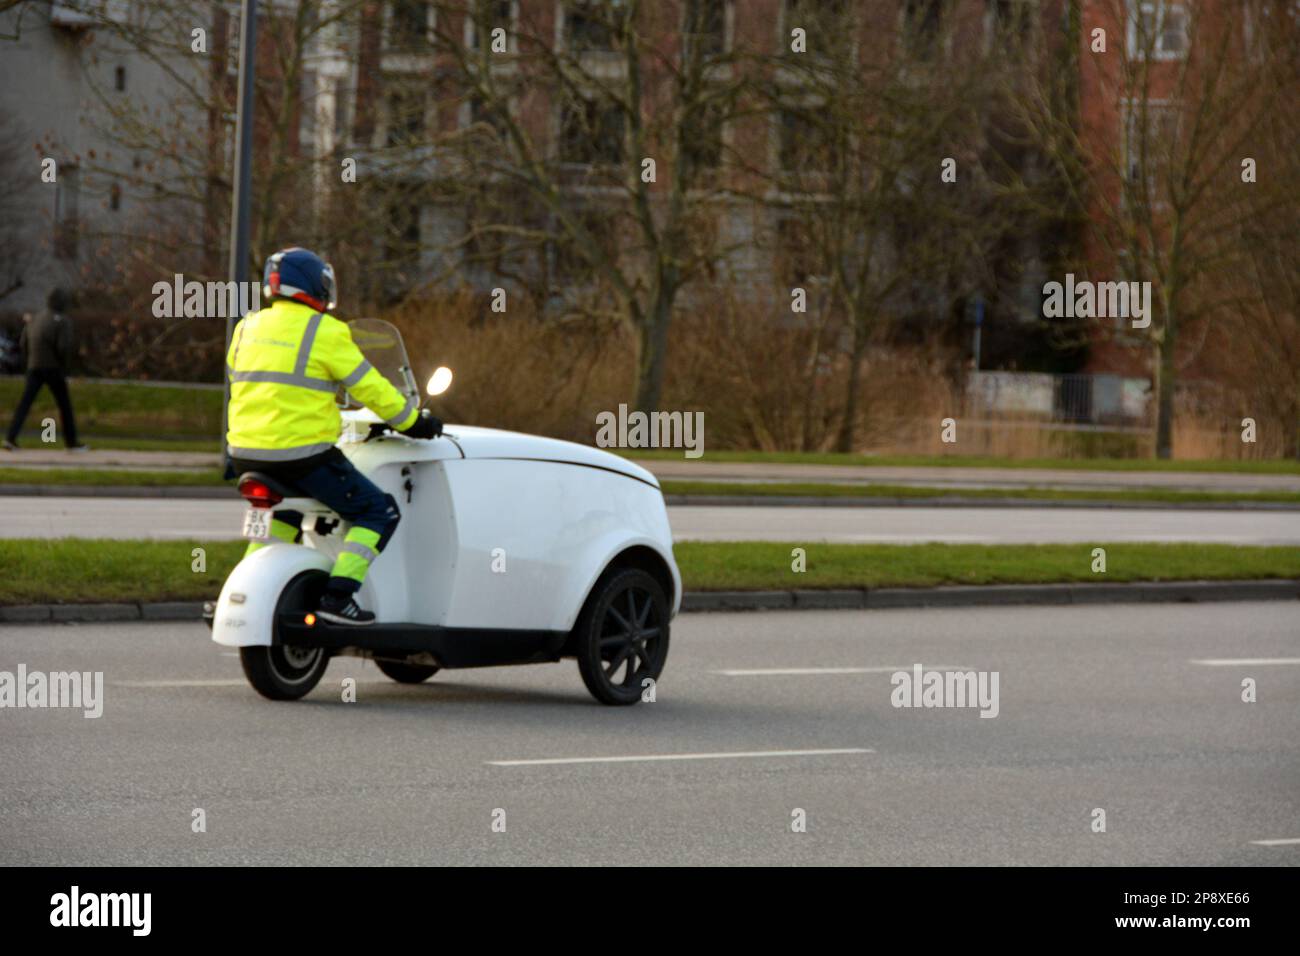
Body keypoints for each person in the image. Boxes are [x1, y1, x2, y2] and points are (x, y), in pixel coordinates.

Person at [227, 247, 441, 626]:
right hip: (302, 455)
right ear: (314, 286)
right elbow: (371, 387)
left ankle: (238, 591)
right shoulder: (325, 331)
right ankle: (338, 597)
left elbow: (257, 385)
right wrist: (413, 422)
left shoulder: (247, 327)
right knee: (378, 511)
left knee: (285, 514)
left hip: (245, 454)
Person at [4, 288, 86, 451]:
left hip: (34, 366)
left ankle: (10, 437)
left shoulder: (35, 319)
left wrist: (28, 362)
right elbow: (64, 347)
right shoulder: (62, 321)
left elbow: (23, 343)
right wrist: (65, 366)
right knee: (64, 405)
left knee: (24, 404)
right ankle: (71, 442)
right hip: (53, 368)